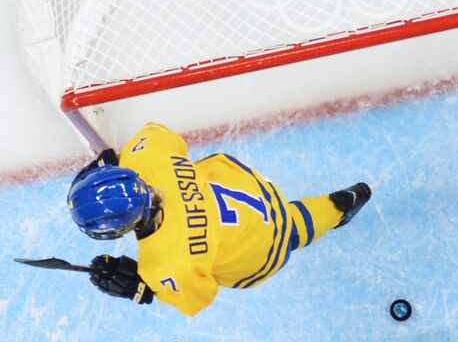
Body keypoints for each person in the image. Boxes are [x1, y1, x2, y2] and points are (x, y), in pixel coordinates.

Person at [67, 121, 371, 316]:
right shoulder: (145, 158)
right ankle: (339, 205)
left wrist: (144, 289)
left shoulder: (164, 264)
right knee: (279, 214)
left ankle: (337, 210)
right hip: (251, 185)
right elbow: (161, 135)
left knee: (286, 233)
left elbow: (198, 297)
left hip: (261, 247)